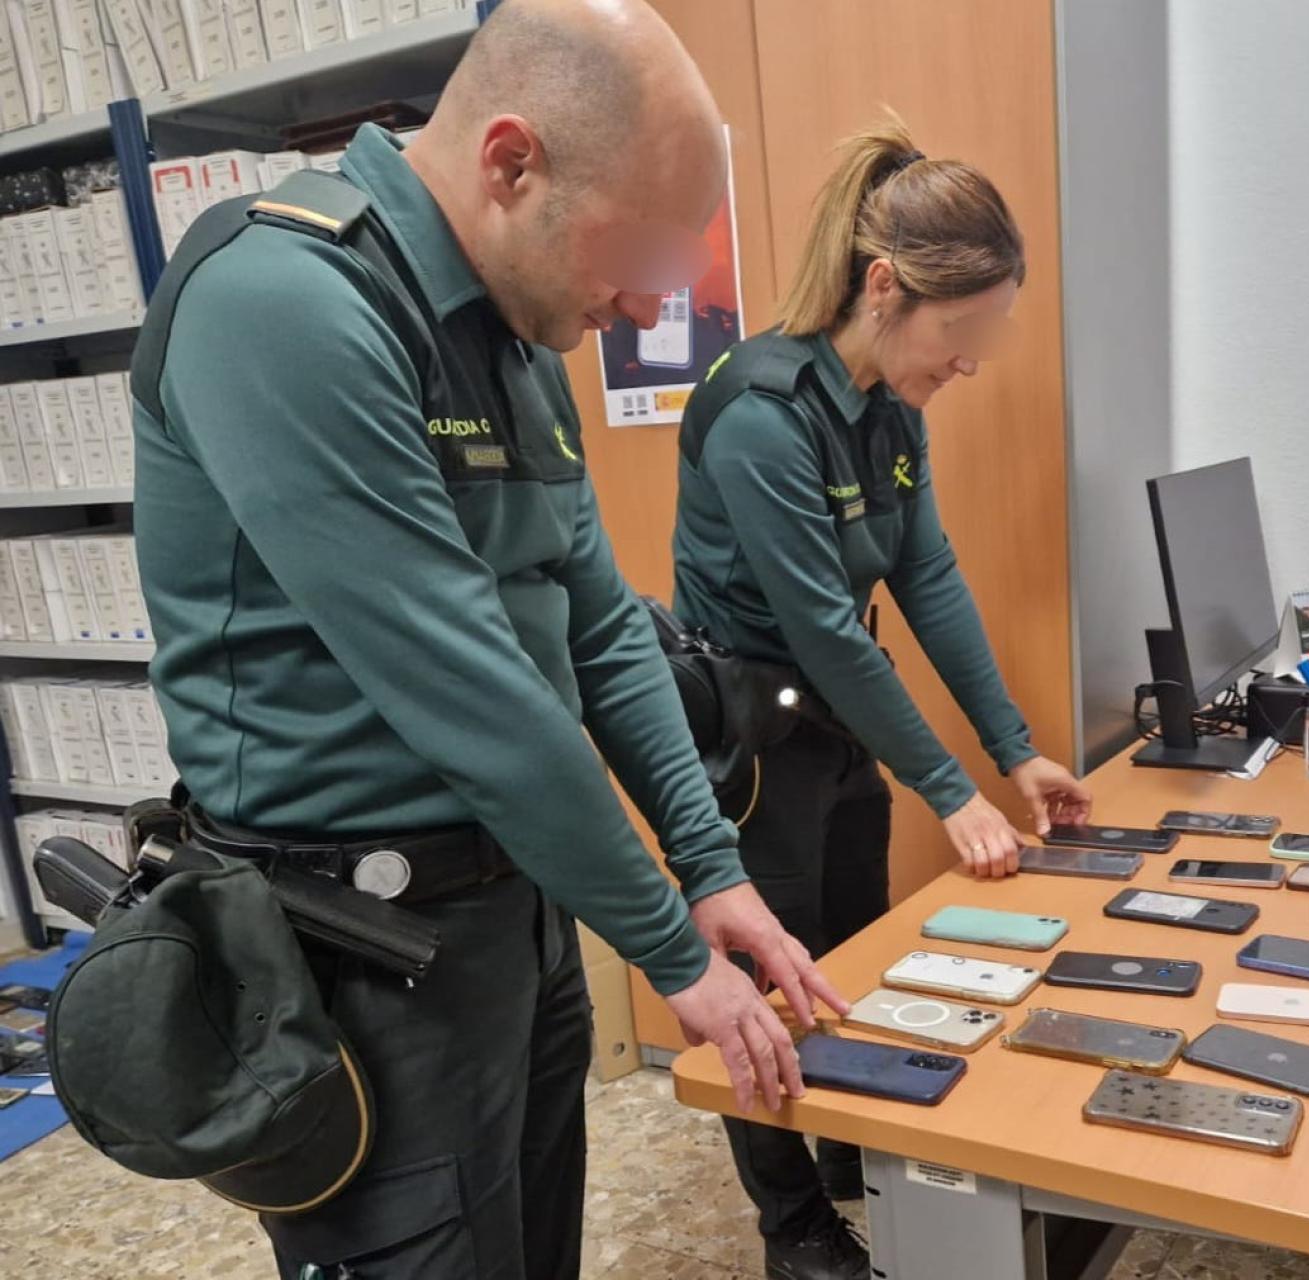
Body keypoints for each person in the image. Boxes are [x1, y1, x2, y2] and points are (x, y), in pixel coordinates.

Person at [129, 2, 845, 1277]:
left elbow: (602, 632)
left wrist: (709, 865)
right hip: (359, 948)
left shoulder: (514, 327)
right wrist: (673, 950)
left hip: (513, 911)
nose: (639, 303)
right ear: (510, 161)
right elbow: (480, 696)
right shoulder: (283, 297)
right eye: (632, 253)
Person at [673, 115, 1093, 1280]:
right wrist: (950, 788)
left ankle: (856, 1144)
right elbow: (818, 624)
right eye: (959, 330)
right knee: (769, 974)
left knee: (849, 947)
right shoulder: (761, 413)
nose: (968, 360)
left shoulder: (889, 410)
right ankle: (791, 1221)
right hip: (751, 732)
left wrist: (1014, 755)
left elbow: (928, 580)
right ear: (881, 287)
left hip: (838, 719)